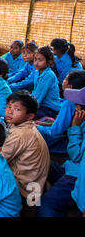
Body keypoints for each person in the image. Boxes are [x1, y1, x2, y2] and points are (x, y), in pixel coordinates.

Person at [37, 86, 85, 217]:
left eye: (78, 106)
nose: (76, 108)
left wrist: (75, 128)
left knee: (46, 206)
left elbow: (75, 155)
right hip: (70, 167)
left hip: (76, 175)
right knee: (41, 163)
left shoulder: (78, 125)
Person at [2, 90, 50, 200]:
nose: (10, 111)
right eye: (9, 107)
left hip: (25, 189)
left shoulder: (20, 134)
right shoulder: (28, 127)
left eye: (17, 109)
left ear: (29, 116)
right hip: (36, 182)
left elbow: (0, 158)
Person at [37, 70, 85, 157]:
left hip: (70, 144)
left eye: (65, 79)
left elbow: (55, 132)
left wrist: (37, 127)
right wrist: (46, 124)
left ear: (70, 87)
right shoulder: (78, 101)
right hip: (74, 138)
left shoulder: (69, 103)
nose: (63, 81)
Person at [32, 46, 62, 120]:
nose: (36, 62)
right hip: (41, 104)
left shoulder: (49, 75)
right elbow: (36, 92)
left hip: (50, 107)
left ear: (49, 62)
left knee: (27, 116)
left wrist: (28, 109)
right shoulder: (37, 72)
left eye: (40, 60)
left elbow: (39, 97)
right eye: (35, 59)